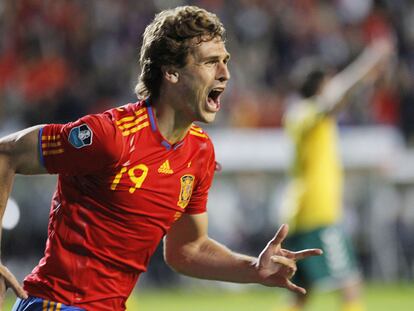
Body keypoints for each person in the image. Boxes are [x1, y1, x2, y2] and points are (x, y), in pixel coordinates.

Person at [0, 6, 322, 311]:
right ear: (171, 72)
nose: (225, 73)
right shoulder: (110, 137)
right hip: (55, 303)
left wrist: (253, 269)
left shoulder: (200, 153)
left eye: (225, 61)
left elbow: (186, 250)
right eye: (210, 62)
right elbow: (6, 153)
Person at [279, 38, 394, 311]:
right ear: (321, 86)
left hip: (299, 214)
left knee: (300, 293)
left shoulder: (296, 115)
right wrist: (369, 62)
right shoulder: (308, 113)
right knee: (350, 284)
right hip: (318, 216)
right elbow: (335, 99)